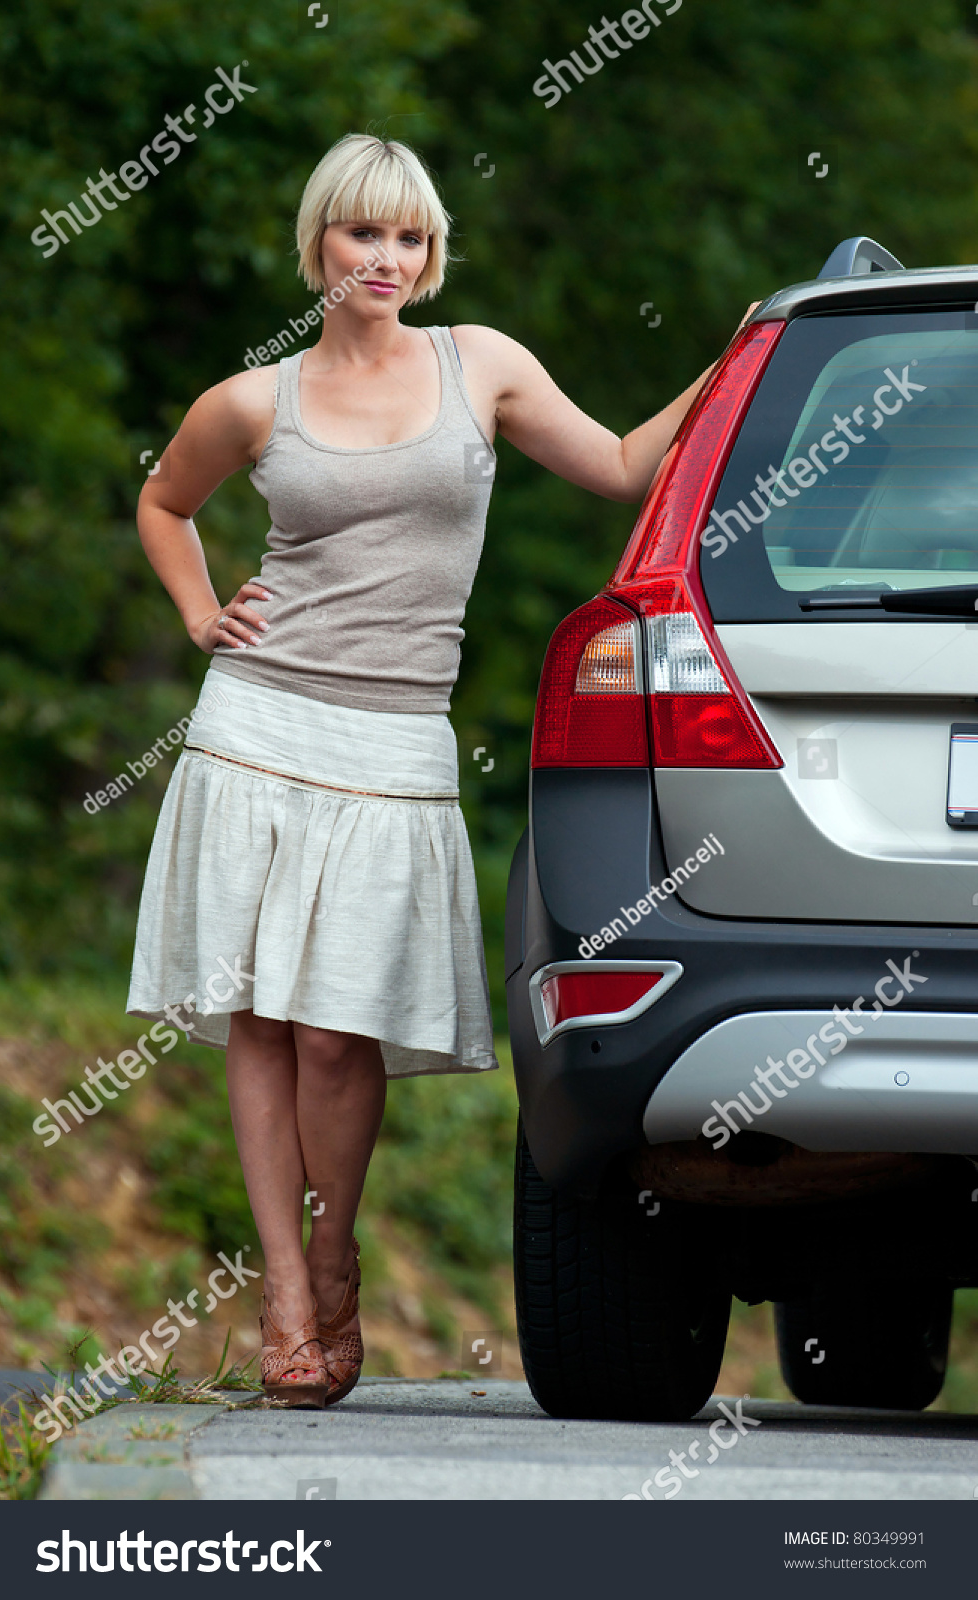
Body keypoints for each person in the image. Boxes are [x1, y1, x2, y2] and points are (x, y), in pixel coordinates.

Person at [126, 131, 737, 1406]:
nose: (386, 258)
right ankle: (287, 1295)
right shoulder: (255, 399)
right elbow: (163, 503)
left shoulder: (483, 367)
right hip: (258, 723)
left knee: (340, 1036)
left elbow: (622, 466)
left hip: (396, 735)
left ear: (431, 250)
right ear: (319, 246)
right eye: (362, 234)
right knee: (260, 1017)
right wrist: (198, 616)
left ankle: (333, 1248)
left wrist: (736, 358)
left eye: (408, 237)